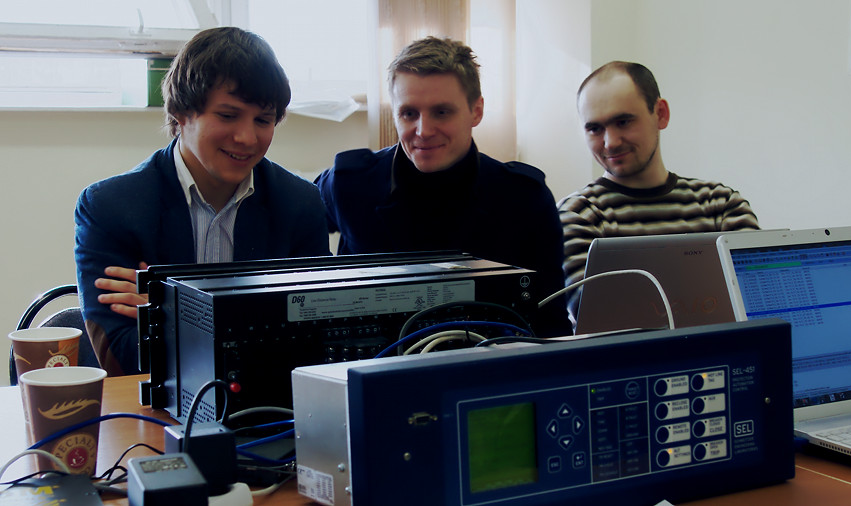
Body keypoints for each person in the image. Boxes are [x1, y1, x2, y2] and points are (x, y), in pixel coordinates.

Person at [74, 27, 330, 376]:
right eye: (227, 115)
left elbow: (314, 340)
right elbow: (120, 356)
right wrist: (257, 323)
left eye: (263, 120)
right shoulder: (111, 207)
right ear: (182, 113)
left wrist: (171, 313)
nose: (247, 137)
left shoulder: (299, 204)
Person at [316, 36, 571, 337]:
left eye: (441, 112)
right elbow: (291, 223)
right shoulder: (350, 183)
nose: (423, 131)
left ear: (476, 111)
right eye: (409, 113)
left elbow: (552, 324)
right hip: (377, 360)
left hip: (488, 360)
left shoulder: (524, 198)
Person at [558, 61, 760, 322]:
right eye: (595, 129)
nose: (610, 142)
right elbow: (599, 320)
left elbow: (757, 302)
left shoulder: (722, 205)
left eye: (623, 121)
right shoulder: (578, 215)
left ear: (661, 114)